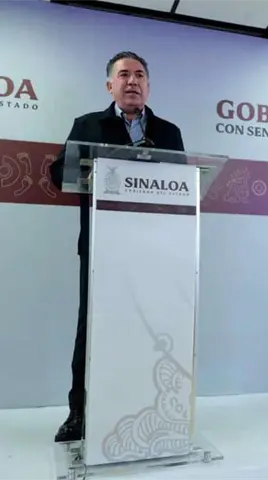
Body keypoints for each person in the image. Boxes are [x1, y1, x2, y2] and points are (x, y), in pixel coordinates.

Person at [49, 51, 185, 442]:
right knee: (91, 326)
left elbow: (182, 186)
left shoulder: (169, 132)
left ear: (148, 85)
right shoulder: (88, 125)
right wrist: (94, 166)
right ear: (110, 85)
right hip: (101, 246)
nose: (132, 81)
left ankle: (144, 404)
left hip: (152, 247)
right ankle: (80, 412)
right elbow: (59, 173)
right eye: (124, 75)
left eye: (139, 75)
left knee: (149, 326)